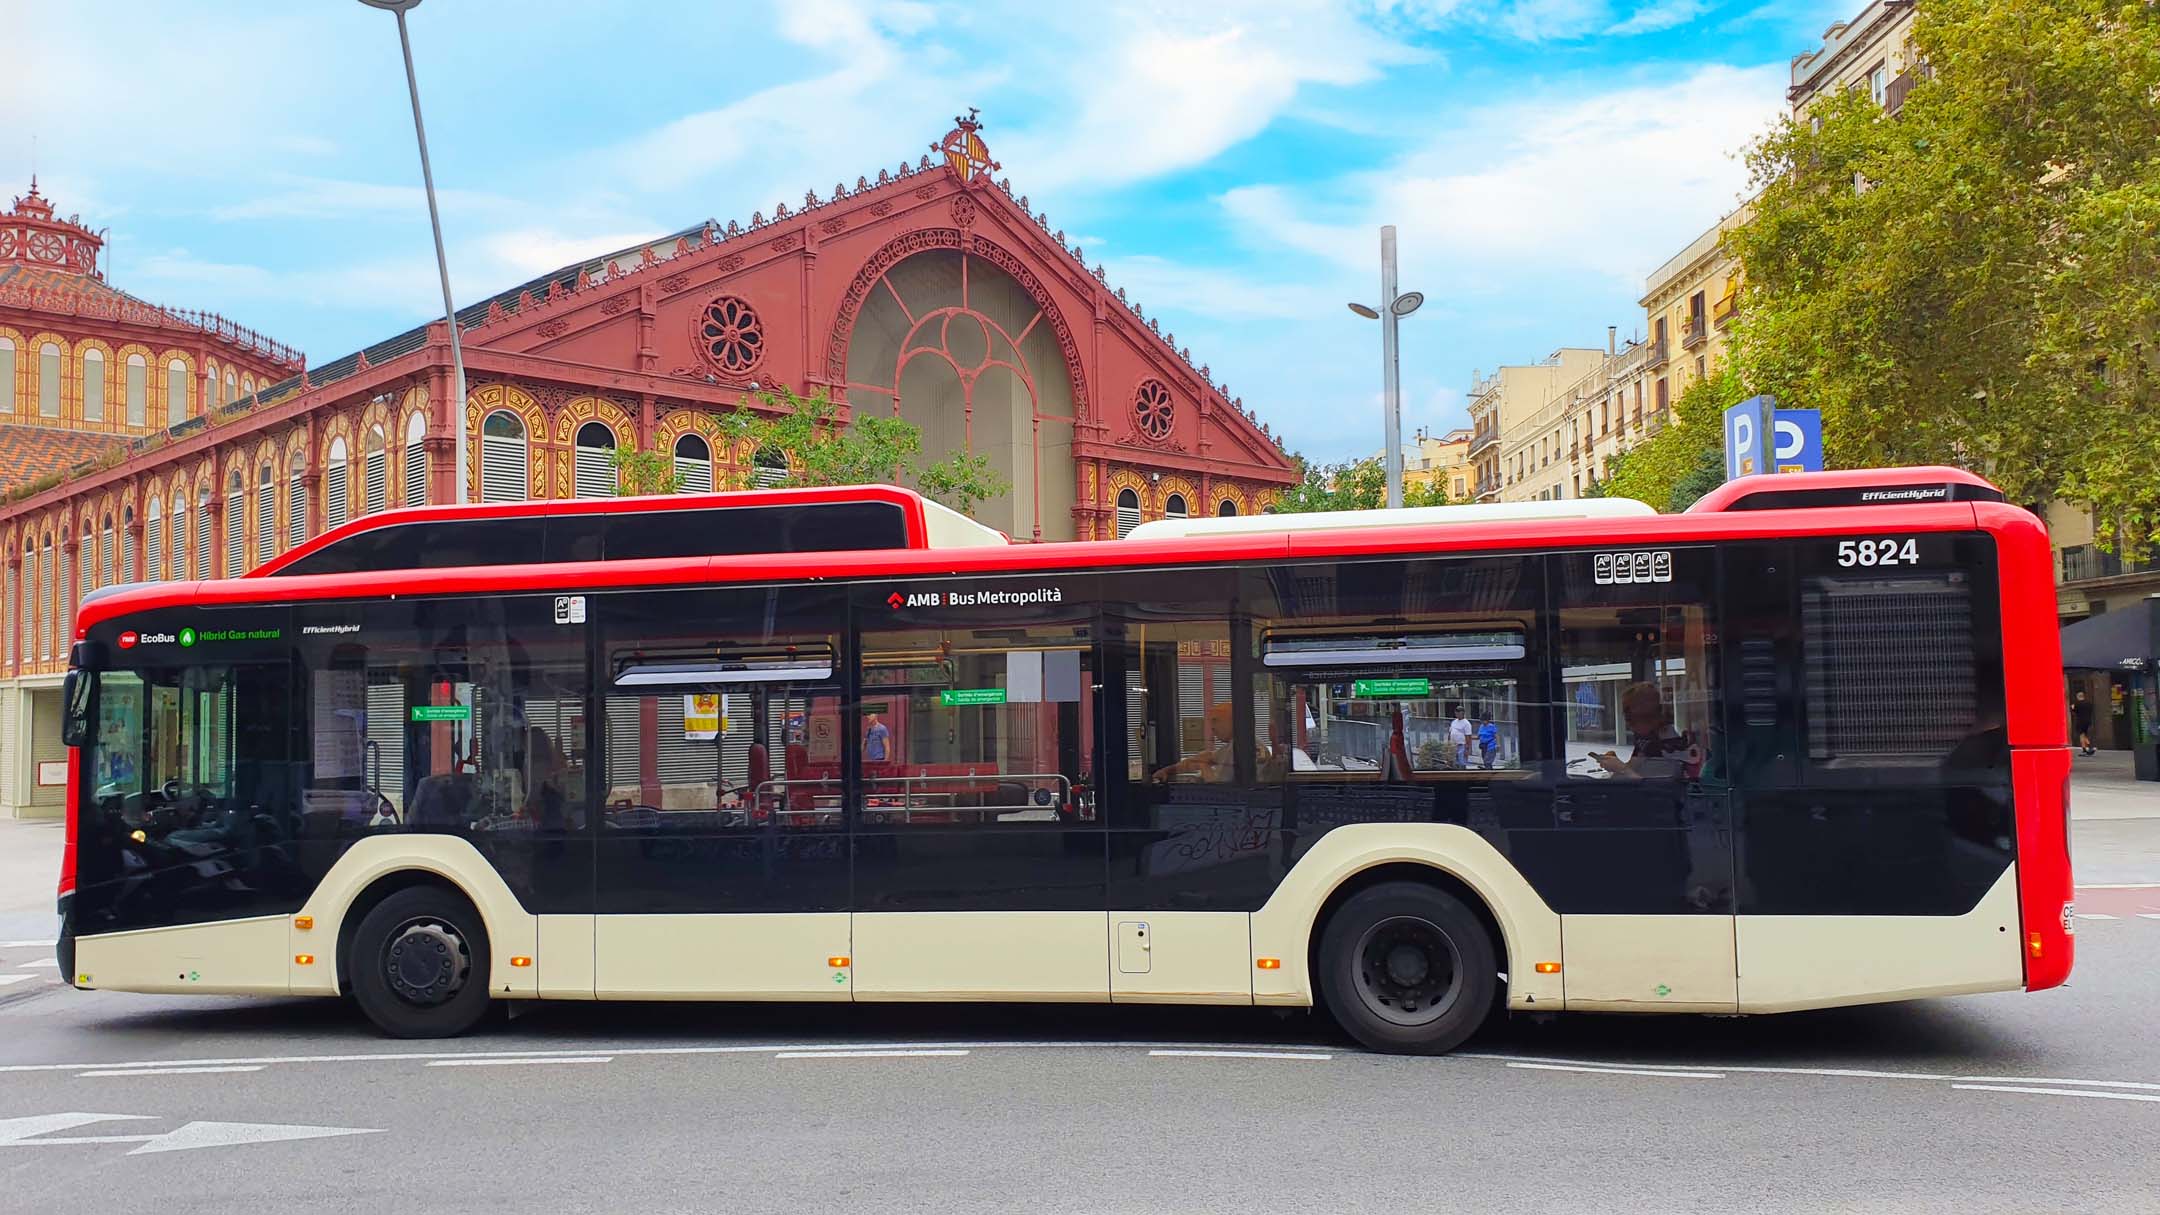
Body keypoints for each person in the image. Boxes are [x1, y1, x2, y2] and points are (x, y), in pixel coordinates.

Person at [1594, 682, 1702, 780]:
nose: (1628, 725)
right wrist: (1615, 764)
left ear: (1647, 717)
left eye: (1630, 719)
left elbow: (1653, 789)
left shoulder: (1670, 748)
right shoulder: (1645, 738)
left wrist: (1622, 768)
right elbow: (1635, 768)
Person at [1153, 702, 1236, 783]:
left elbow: (1218, 789)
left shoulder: (1238, 749)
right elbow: (1204, 758)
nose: (1212, 727)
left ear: (1233, 721)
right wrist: (1166, 771)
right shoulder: (1229, 748)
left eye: (1215, 720)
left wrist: (1203, 765)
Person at [2073, 689, 2096, 756]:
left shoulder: (2077, 704)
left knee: (2082, 735)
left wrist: (2072, 708)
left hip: (2080, 721)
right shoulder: (2089, 703)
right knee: (2083, 734)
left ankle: (2087, 748)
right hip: (2088, 721)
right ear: (2083, 696)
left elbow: (2075, 711)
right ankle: (2087, 748)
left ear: (2078, 697)